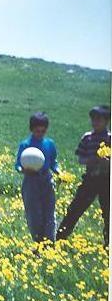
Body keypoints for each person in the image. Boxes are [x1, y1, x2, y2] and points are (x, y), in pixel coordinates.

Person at [56, 105, 111, 248]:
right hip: (90, 179)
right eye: (93, 120)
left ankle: (108, 243)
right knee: (76, 208)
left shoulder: (110, 138)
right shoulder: (87, 138)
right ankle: (60, 237)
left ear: (107, 122)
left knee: (108, 212)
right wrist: (92, 160)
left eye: (99, 120)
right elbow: (80, 158)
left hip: (107, 180)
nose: (95, 123)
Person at [15, 112, 60, 243]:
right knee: (34, 213)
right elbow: (18, 164)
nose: (40, 133)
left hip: (46, 179)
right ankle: (38, 241)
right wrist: (22, 169)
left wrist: (58, 171)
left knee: (49, 212)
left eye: (43, 131)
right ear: (31, 129)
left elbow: (53, 162)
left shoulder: (49, 144)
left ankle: (50, 242)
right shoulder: (25, 145)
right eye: (37, 130)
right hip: (31, 180)